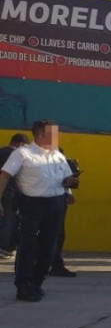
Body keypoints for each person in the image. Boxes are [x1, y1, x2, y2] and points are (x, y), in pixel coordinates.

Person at [0, 120, 78, 302]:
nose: (57, 137)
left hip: (56, 204)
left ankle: (37, 282)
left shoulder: (57, 155)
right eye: (53, 133)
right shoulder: (23, 154)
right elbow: (4, 176)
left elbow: (66, 176)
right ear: (41, 134)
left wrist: (69, 189)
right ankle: (24, 285)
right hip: (32, 204)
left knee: (49, 246)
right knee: (28, 245)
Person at [48, 147, 79, 278]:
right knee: (51, 234)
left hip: (60, 199)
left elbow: (64, 180)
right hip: (47, 201)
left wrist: (69, 191)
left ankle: (55, 264)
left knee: (59, 234)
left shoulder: (61, 165)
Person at [0, 133, 29, 259]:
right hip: (10, 191)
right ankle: (4, 247)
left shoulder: (1, 152)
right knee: (10, 220)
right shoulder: (15, 155)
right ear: (21, 144)